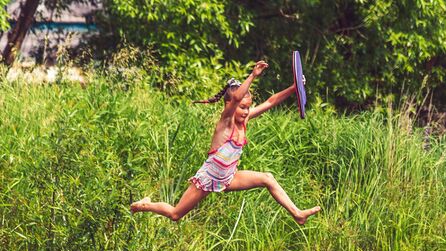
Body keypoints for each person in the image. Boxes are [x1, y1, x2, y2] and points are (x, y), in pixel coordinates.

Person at [130, 60, 320, 225]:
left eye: (248, 107)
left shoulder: (243, 120)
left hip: (229, 178)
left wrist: (294, 88)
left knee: (267, 178)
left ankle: (297, 213)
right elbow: (237, 98)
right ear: (230, 106)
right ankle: (145, 205)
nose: (246, 112)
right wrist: (253, 75)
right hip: (209, 178)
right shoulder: (225, 122)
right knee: (175, 214)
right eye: (242, 108)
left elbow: (270, 102)